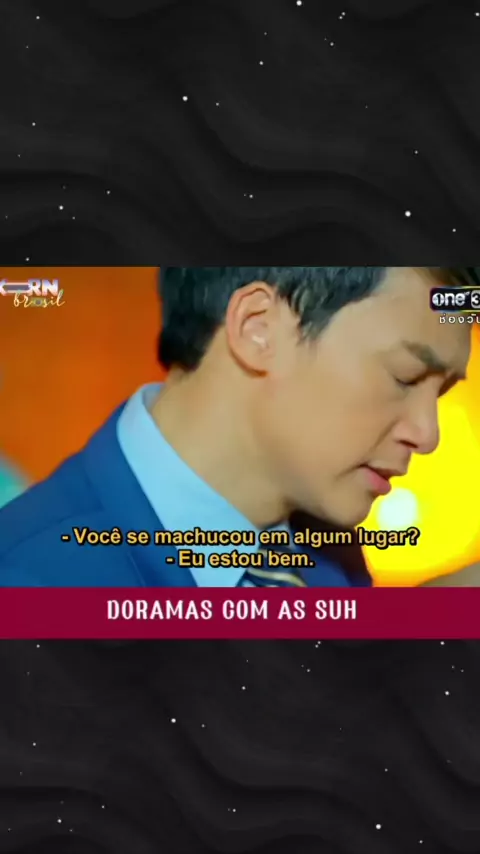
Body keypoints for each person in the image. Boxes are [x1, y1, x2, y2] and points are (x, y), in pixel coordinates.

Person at [0, 266, 477, 587]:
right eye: (405, 376)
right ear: (257, 328)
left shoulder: (328, 550)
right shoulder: (31, 582)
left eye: (440, 393)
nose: (428, 435)